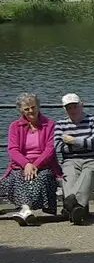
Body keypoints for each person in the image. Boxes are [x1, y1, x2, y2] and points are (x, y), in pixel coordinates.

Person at [3, 93, 59, 225]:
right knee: (17, 177)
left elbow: (50, 149)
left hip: (44, 164)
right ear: (21, 110)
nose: (30, 111)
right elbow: (13, 149)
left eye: (33, 107)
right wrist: (26, 164)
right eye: (26, 109)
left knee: (42, 178)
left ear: (38, 107)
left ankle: (25, 210)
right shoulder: (15, 126)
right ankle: (27, 210)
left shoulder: (49, 125)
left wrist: (36, 165)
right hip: (21, 164)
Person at [54, 93, 94, 225]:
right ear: (64, 109)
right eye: (69, 108)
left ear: (81, 105)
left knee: (88, 173)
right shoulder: (60, 125)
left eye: (75, 106)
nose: (72, 110)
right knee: (69, 175)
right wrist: (85, 143)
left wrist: (73, 141)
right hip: (70, 161)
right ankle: (77, 209)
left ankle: (70, 204)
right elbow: (58, 147)